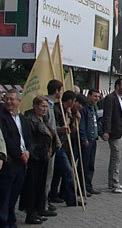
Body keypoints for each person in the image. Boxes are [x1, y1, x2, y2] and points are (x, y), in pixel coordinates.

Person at [20, 96, 58, 224]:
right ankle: (30, 213)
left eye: (46, 107)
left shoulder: (44, 119)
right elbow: (30, 139)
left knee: (40, 186)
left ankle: (37, 210)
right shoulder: (30, 120)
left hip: (44, 156)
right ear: (35, 106)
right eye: (42, 106)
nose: (44, 109)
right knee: (32, 186)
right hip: (35, 157)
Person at [0, 89, 32, 227]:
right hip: (10, 162)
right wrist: (20, 153)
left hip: (22, 164)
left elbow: (29, 138)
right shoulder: (1, 117)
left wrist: (28, 151)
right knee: (4, 196)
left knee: (14, 196)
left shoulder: (23, 119)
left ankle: (11, 221)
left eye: (12, 99)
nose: (8, 102)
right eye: (6, 99)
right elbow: (5, 140)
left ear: (19, 101)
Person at [101, 78, 122, 193]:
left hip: (120, 131)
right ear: (117, 86)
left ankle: (113, 182)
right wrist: (106, 131)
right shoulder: (110, 98)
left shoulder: (120, 99)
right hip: (114, 132)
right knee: (115, 158)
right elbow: (108, 116)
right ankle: (113, 183)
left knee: (117, 158)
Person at [44, 79, 63, 213]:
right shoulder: (46, 105)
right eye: (60, 90)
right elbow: (47, 126)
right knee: (46, 176)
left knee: (49, 176)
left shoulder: (53, 105)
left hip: (53, 144)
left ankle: (45, 200)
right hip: (47, 146)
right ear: (56, 91)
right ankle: (43, 203)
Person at [79, 89, 101, 195]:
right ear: (89, 96)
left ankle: (88, 185)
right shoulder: (84, 109)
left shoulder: (94, 109)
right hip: (87, 140)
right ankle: (81, 187)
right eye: (95, 96)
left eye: (98, 96)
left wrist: (102, 133)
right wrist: (84, 138)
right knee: (84, 165)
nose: (97, 98)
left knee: (91, 165)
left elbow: (96, 123)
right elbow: (81, 125)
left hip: (93, 139)